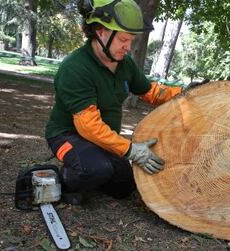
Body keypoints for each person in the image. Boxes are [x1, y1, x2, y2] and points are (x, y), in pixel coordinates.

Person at [45, 0, 184, 204]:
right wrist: (131, 150)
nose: (128, 47)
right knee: (95, 169)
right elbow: (88, 126)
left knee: (124, 186)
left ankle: (94, 168)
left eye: (131, 40)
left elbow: (150, 92)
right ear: (100, 32)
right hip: (66, 135)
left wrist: (183, 94)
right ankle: (66, 180)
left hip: (103, 139)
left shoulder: (124, 64)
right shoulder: (74, 68)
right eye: (123, 39)